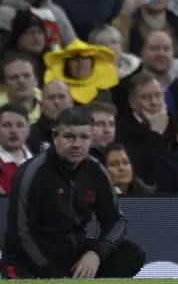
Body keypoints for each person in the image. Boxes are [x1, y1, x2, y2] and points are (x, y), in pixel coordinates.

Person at [0, 108, 146, 279]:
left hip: (73, 252)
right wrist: (55, 276)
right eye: (69, 137)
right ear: (55, 136)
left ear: (92, 138)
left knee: (131, 254)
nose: (77, 144)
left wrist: (96, 253)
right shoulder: (31, 173)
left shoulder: (96, 171)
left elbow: (117, 221)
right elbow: (21, 234)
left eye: (84, 137)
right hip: (31, 257)